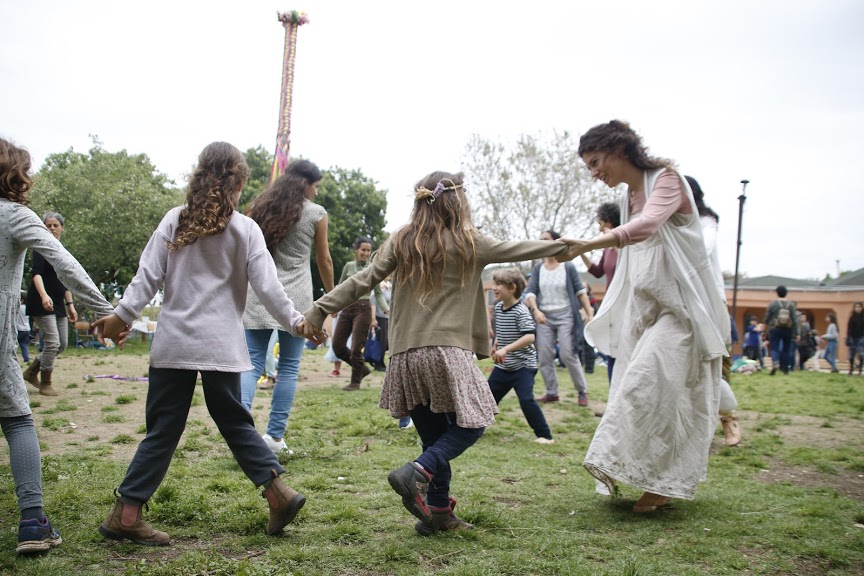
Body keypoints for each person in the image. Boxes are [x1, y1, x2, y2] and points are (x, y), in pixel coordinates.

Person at [298, 171, 572, 534]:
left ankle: (439, 512)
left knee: (434, 435)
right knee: (474, 422)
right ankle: (419, 472)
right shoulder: (470, 241)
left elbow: (362, 281)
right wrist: (566, 246)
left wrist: (318, 309)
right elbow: (520, 248)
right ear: (457, 202)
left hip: (405, 356)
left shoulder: (402, 239)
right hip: (447, 352)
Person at [93, 142, 322, 546]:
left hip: (174, 344)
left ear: (200, 176)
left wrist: (121, 317)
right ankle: (276, 493)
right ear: (238, 184)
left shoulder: (175, 220)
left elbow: (146, 277)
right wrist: (297, 322)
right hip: (221, 346)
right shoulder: (245, 229)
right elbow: (269, 289)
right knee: (236, 422)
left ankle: (127, 515)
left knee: (162, 431)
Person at [566, 120, 729, 513]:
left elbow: (648, 226)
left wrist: (588, 242)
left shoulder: (666, 180)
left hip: (683, 312)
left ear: (618, 149)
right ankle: (651, 477)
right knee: (637, 390)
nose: (594, 172)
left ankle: (663, 482)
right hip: (646, 310)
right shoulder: (627, 197)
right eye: (588, 165)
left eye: (596, 161)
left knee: (648, 386)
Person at [1, 138, 115, 554]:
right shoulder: (15, 215)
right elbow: (63, 260)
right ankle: (32, 521)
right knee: (15, 421)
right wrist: (107, 310)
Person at [240, 160, 334, 454]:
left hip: (258, 292)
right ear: (305, 183)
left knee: (252, 364)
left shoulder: (258, 209)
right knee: (289, 368)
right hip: (296, 298)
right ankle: (275, 438)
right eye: (316, 186)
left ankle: (239, 434)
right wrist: (332, 301)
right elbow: (324, 260)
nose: (317, 193)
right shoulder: (316, 214)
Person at [688, 175, 741, 447]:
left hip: (711, 302)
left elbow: (702, 249)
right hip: (683, 302)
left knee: (718, 362)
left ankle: (729, 419)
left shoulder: (706, 222)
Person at [524, 230, 594, 406]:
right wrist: (536, 310)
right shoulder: (538, 268)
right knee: (545, 356)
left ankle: (581, 391)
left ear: (556, 242)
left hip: (566, 315)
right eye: (540, 240)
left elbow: (580, 292)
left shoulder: (568, 266)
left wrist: (590, 313)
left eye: (546, 240)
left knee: (567, 354)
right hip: (544, 317)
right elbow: (530, 292)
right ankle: (552, 392)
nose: (542, 243)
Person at [488, 268, 554, 444]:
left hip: (524, 366)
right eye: (494, 283)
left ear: (512, 288)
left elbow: (529, 336)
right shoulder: (499, 308)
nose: (494, 288)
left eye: (499, 284)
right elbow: (501, 332)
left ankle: (545, 436)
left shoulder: (521, 311)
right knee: (487, 399)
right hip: (503, 366)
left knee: (526, 399)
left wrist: (506, 349)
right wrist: (496, 346)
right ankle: (470, 430)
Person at [22, 211, 79, 396]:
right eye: (48, 225)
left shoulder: (62, 250)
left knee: (61, 344)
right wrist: (44, 295)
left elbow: (66, 280)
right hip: (41, 300)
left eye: (56, 225)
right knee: (52, 343)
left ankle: (31, 371)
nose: (52, 228)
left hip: (58, 302)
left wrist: (70, 304)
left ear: (62, 228)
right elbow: (36, 274)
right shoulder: (40, 247)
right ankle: (46, 382)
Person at [331, 237, 389, 391]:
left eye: (369, 250)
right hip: (347, 308)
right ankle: (362, 368)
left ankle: (355, 382)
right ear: (356, 250)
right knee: (337, 346)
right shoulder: (348, 266)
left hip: (363, 310)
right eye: (363, 250)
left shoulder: (373, 268)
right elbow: (341, 287)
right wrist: (335, 306)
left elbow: (378, 294)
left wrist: (386, 308)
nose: (366, 253)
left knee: (357, 347)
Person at [581, 202, 620, 382]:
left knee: (622, 351)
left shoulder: (626, 243)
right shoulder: (607, 248)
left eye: (600, 224)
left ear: (609, 222)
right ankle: (613, 400)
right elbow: (597, 272)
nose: (599, 229)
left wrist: (616, 246)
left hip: (625, 303)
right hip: (611, 304)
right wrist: (582, 251)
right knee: (611, 350)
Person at [764, 286, 799, 375]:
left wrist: (765, 328)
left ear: (777, 293)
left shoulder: (773, 304)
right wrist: (797, 333)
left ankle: (775, 363)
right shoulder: (791, 305)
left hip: (774, 328)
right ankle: (785, 368)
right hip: (788, 329)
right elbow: (795, 319)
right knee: (786, 349)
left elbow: (767, 318)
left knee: (775, 348)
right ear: (786, 293)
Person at [848, 302, 864, 375]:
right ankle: (851, 369)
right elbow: (849, 328)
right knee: (851, 356)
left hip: (861, 338)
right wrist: (849, 337)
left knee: (861, 355)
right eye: (856, 307)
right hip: (853, 338)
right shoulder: (852, 317)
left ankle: (860, 370)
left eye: (859, 307)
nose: (858, 308)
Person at [17, 293, 31, 362]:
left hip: (19, 329)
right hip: (27, 329)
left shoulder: (19, 308)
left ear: (21, 300)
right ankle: (26, 358)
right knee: (23, 345)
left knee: (13, 344)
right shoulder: (27, 308)